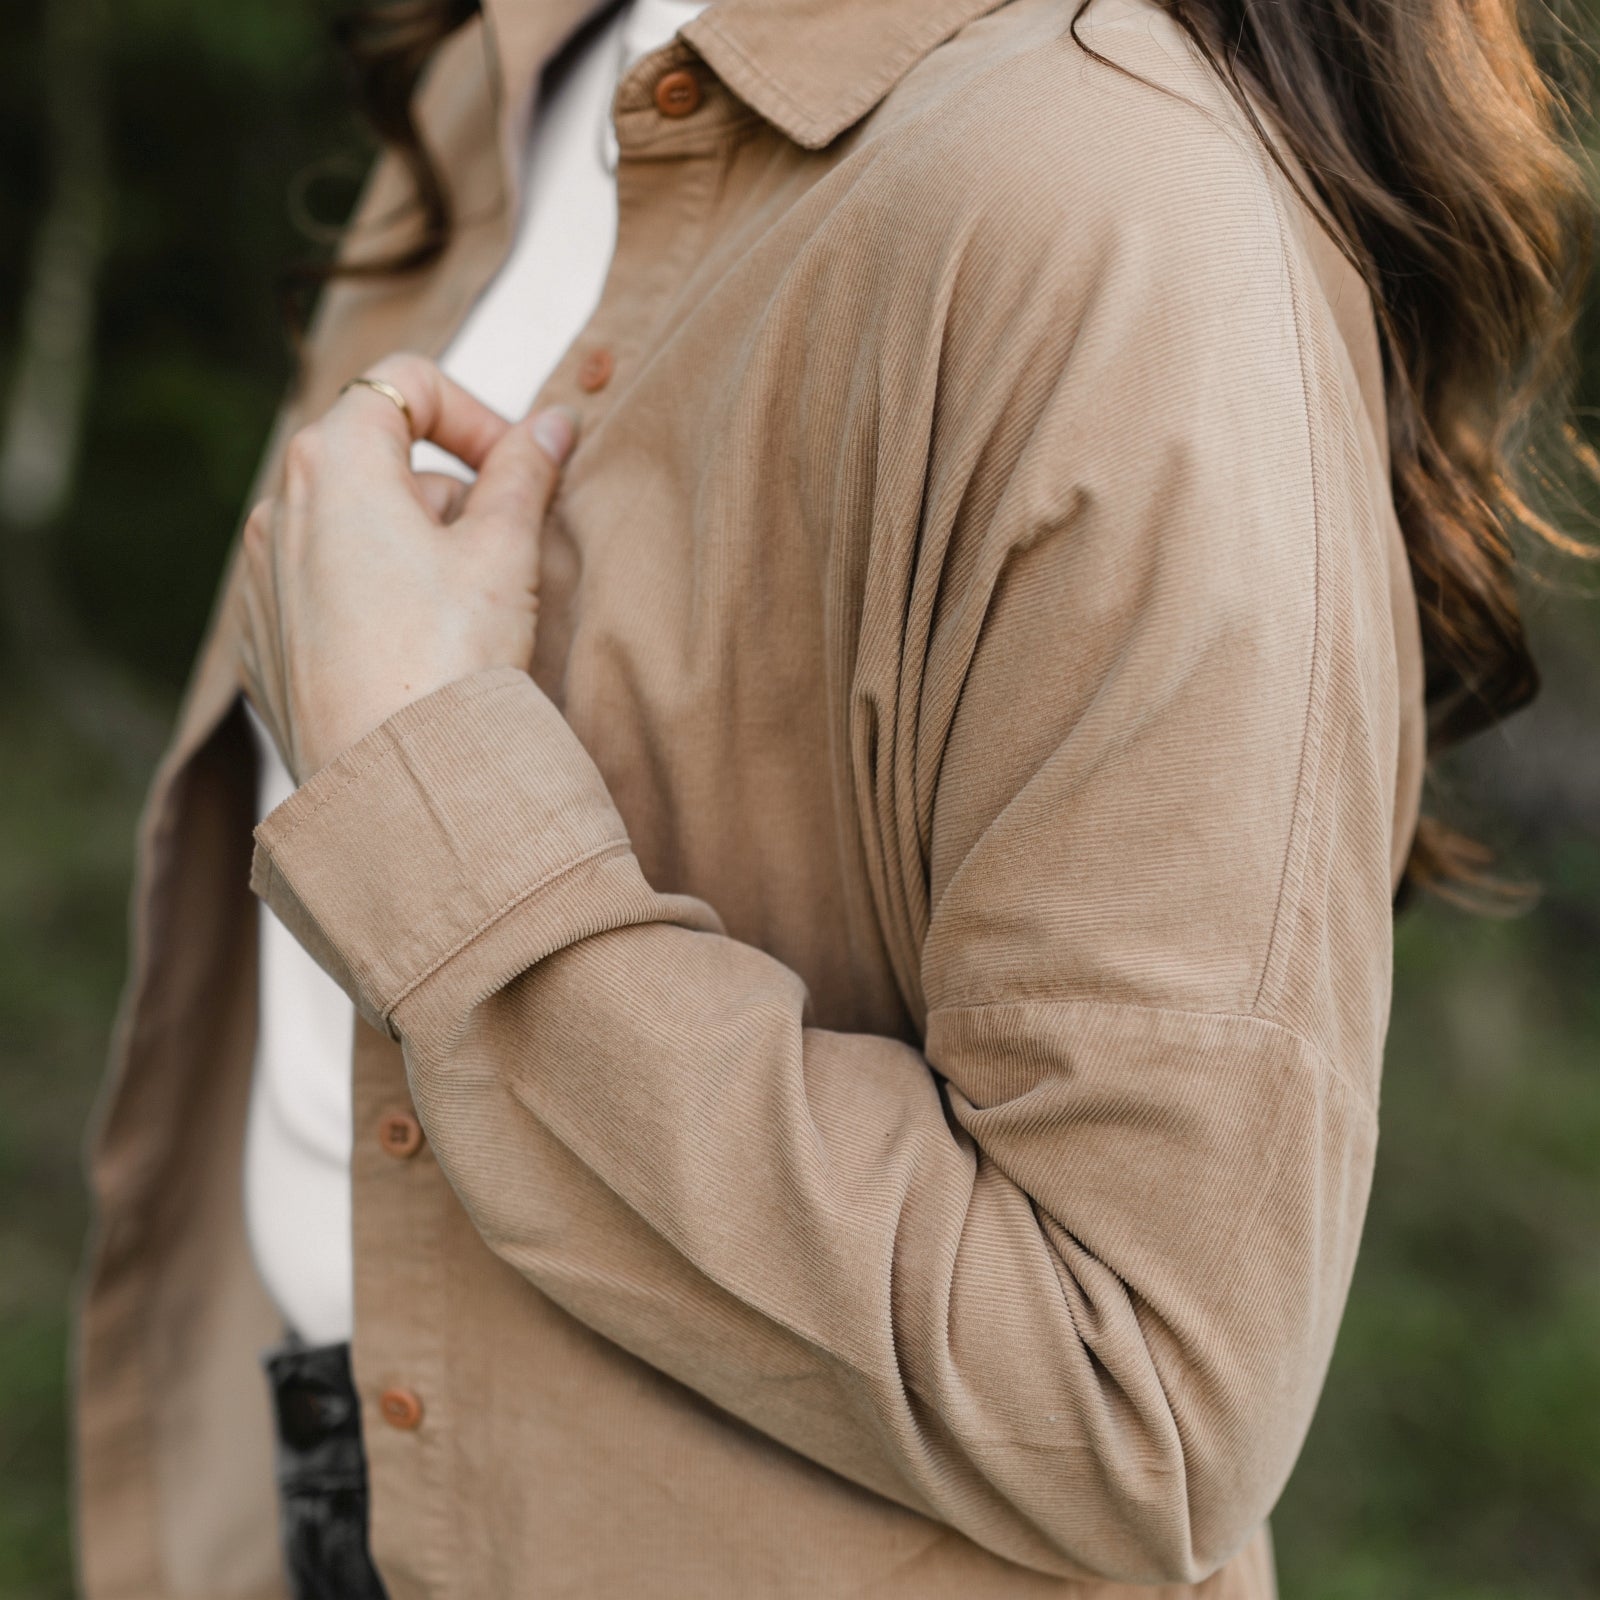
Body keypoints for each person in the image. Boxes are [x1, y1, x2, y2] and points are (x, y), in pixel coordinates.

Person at [72, 0, 1593, 1593]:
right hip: (344, 1484)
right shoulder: (518, 63)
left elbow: (1133, 1395)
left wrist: (426, 800)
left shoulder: (1117, 205)